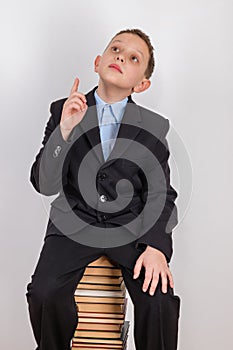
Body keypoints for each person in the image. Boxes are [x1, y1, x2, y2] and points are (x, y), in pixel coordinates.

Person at [26, 28, 180, 350]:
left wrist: (156, 247)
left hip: (131, 229)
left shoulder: (153, 127)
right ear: (98, 62)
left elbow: (160, 193)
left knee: (160, 301)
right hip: (73, 224)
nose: (121, 56)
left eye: (133, 58)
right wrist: (64, 132)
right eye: (115, 49)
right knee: (44, 292)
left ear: (142, 84)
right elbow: (44, 183)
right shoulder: (62, 110)